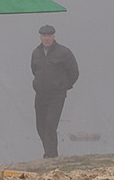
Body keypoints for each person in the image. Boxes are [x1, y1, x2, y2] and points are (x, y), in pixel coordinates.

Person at [31, 24, 79, 159]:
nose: (47, 38)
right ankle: (49, 152)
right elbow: (34, 70)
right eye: (44, 36)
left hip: (57, 96)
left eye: (49, 36)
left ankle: (50, 156)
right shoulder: (36, 53)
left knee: (51, 125)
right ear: (40, 37)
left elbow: (74, 72)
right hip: (40, 94)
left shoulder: (63, 52)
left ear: (54, 36)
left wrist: (63, 86)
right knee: (40, 126)